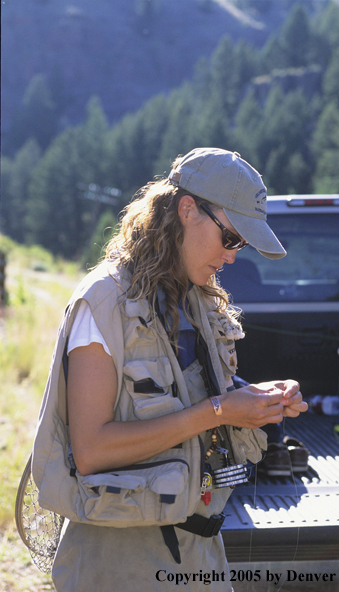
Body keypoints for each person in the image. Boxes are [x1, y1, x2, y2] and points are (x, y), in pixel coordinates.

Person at [32, 147, 308, 591]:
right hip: (119, 566)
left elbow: (190, 396)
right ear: (186, 210)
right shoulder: (104, 301)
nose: (233, 256)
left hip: (200, 559)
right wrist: (220, 410)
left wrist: (254, 399)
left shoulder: (196, 300)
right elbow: (91, 450)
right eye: (231, 238)